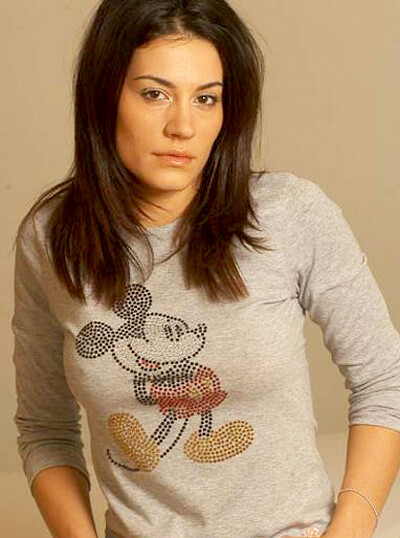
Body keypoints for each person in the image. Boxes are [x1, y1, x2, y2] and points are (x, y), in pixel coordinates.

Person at [11, 0, 400, 537]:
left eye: (206, 98)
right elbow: (45, 429)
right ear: (104, 95)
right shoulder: (50, 239)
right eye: (154, 94)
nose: (183, 126)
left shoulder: (290, 214)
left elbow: (386, 381)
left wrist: (349, 531)